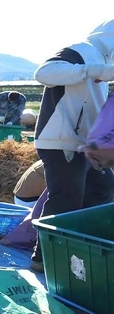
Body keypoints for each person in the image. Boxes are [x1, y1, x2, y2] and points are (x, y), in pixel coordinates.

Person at [29, 19, 114, 272]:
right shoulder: (81, 50)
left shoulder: (104, 62)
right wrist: (93, 70)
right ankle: (43, 258)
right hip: (61, 139)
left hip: (84, 143)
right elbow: (44, 73)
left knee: (103, 189)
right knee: (67, 196)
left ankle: (75, 246)